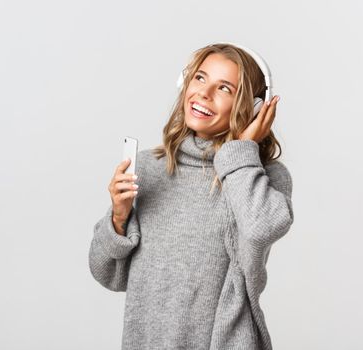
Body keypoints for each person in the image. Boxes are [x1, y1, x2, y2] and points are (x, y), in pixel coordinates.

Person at [89, 42, 294, 350]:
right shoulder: (148, 167)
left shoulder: (260, 176)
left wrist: (239, 154)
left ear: (253, 108)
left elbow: (261, 227)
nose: (204, 93)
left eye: (224, 88)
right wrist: (119, 218)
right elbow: (109, 275)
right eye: (199, 78)